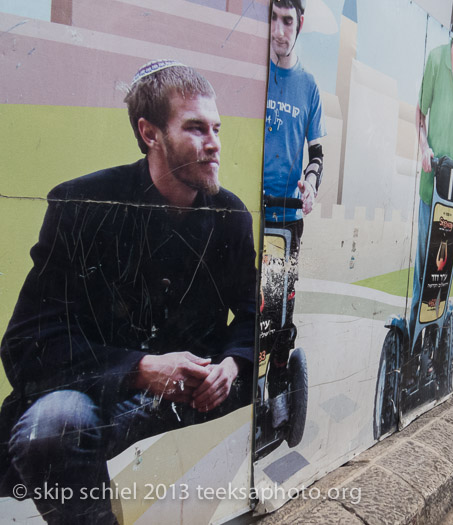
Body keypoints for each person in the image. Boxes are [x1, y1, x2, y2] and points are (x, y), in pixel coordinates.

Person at [0, 60, 257, 524]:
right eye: (196, 128)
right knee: (50, 426)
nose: (214, 143)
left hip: (196, 396)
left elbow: (254, 317)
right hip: (107, 395)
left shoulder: (231, 216)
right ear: (149, 132)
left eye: (216, 128)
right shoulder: (81, 205)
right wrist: (139, 370)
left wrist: (234, 362)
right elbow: (26, 345)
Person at [263, 0, 325, 425]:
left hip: (284, 222)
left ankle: (277, 385)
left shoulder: (308, 86)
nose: (279, 31)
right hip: (246, 215)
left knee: (277, 311)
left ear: (299, 24)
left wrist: (312, 183)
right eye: (273, 19)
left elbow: (316, 154)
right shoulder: (253, 71)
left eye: (288, 21)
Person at [411, 0, 453, 332]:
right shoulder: (436, 59)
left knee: (443, 272)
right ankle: (412, 339)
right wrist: (424, 148)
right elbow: (420, 115)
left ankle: (433, 341)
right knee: (424, 271)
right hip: (430, 186)